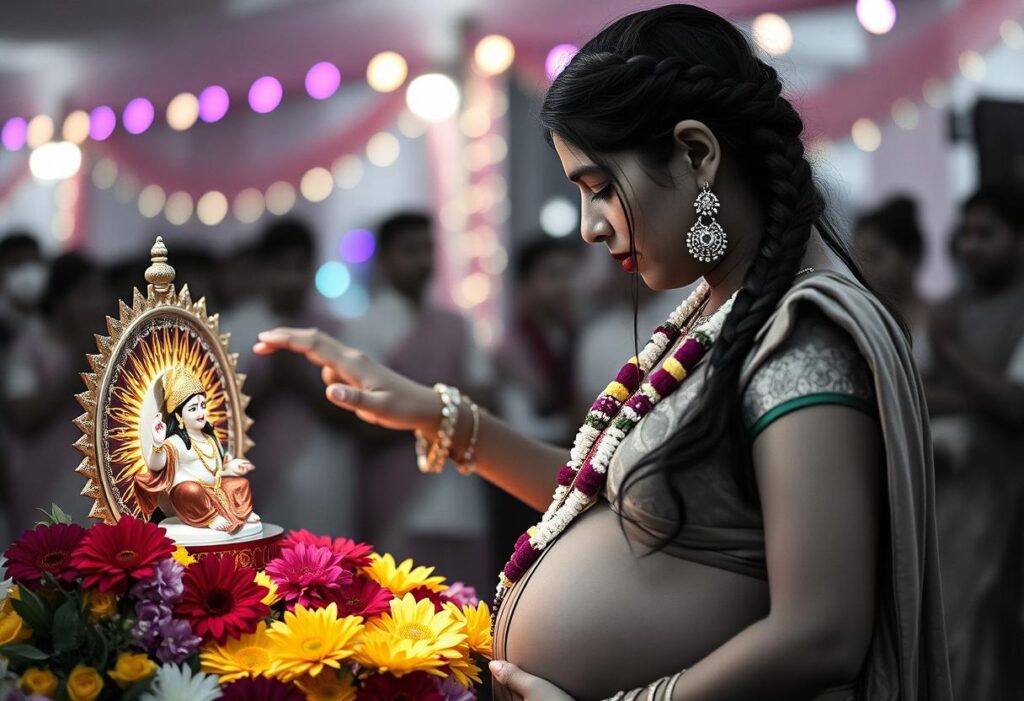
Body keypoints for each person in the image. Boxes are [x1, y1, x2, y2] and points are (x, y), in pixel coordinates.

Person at [253, 5, 951, 699]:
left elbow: (822, 631)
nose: (589, 227)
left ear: (697, 154)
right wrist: (441, 417)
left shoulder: (803, 336)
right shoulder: (722, 310)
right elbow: (618, 497)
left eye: (599, 188)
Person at [342, 211, 492, 591]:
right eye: (409, 250)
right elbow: (365, 419)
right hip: (395, 493)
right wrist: (448, 396)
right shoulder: (363, 328)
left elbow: (487, 400)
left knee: (467, 614)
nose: (422, 260)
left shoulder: (455, 325)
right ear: (385, 260)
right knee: (397, 611)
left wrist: (412, 399)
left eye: (427, 249)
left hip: (460, 493)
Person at [924, 185, 1024, 699]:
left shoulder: (948, 324)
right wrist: (982, 396)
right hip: (950, 504)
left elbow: (1016, 405)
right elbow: (915, 395)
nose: (971, 245)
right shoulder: (949, 308)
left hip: (1010, 501)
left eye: (987, 233)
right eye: (965, 233)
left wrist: (948, 350)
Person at [136, 366, 258, 533]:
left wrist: (231, 468)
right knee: (188, 491)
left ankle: (240, 512)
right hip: (193, 497)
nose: (201, 412)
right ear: (179, 416)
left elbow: (216, 471)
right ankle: (210, 517)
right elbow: (157, 465)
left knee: (241, 483)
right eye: (193, 409)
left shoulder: (209, 437)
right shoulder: (176, 442)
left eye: (202, 405)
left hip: (215, 490)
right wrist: (157, 443)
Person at [853, 195, 930, 368]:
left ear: (910, 256)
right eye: (858, 258)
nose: (864, 270)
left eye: (875, 256)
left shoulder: (939, 320)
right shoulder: (861, 318)